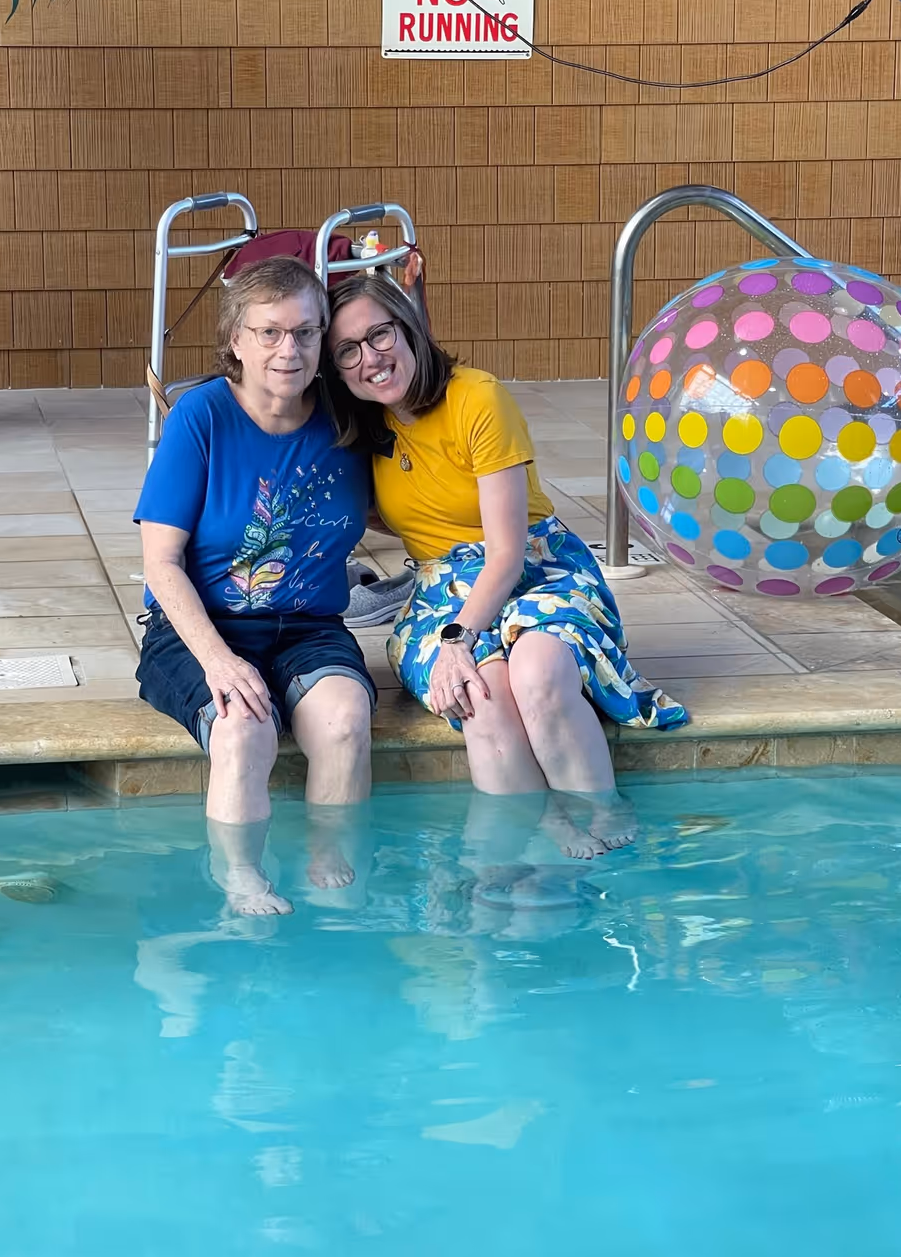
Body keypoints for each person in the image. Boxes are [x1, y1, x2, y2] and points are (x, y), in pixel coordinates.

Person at [324, 271, 687, 853]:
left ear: (409, 327)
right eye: (349, 350)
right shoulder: (358, 428)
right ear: (336, 369)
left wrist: (459, 639)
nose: (372, 358)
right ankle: (536, 834)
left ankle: (604, 816)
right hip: (441, 589)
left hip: (534, 565)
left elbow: (508, 552)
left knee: (538, 673)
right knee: (482, 700)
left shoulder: (477, 397)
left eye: (381, 334)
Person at [135, 256, 376, 914]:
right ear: (235, 340)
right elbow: (161, 563)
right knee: (244, 730)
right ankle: (240, 877)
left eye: (304, 333)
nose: (288, 350)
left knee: (348, 721)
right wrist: (218, 659)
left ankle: (331, 855)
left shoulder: (350, 420)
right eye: (269, 332)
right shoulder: (202, 417)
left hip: (308, 627)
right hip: (201, 628)